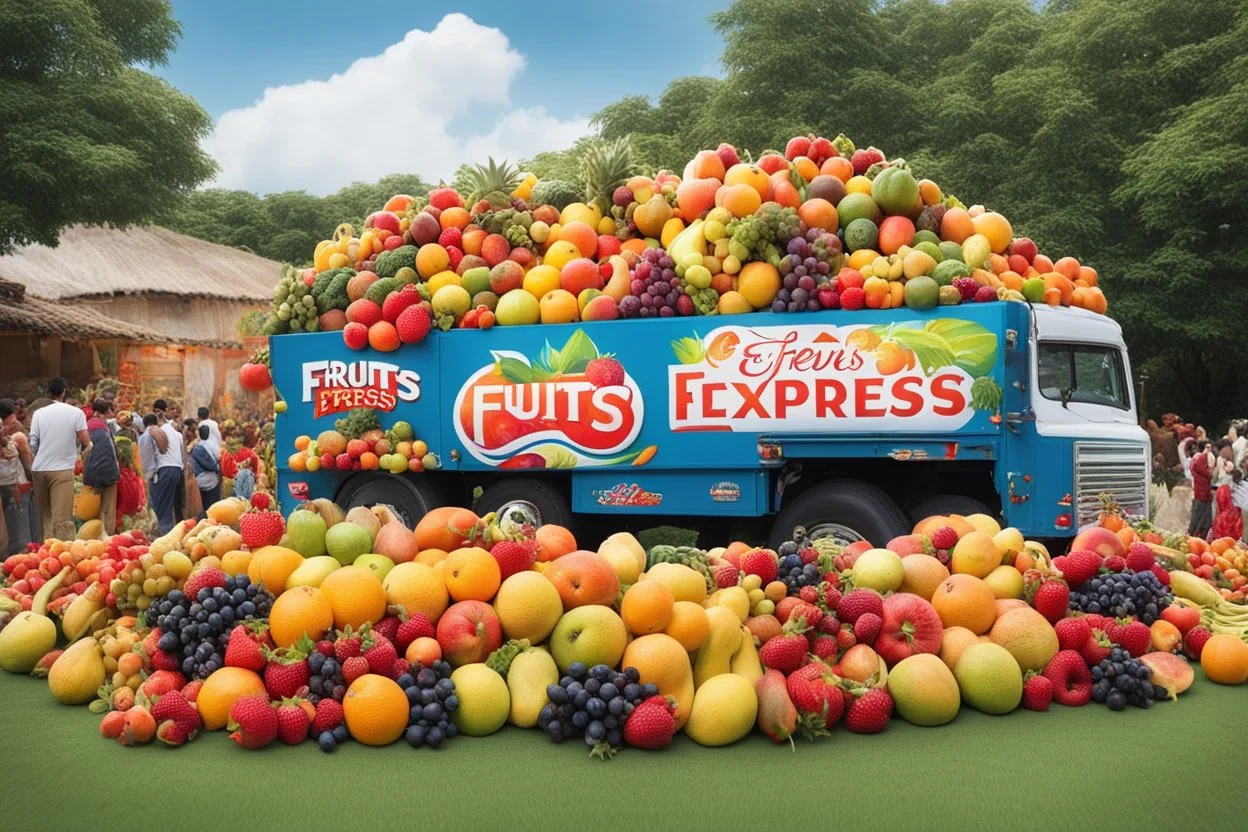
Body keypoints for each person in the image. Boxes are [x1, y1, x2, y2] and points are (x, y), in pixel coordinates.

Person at [28, 377, 89, 541]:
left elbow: (32, 445)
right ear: (64, 392)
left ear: (49, 393)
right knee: (62, 521)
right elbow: (86, 442)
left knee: (45, 518)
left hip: (39, 470)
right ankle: (64, 556)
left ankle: (45, 555)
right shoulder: (76, 413)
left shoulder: (38, 414)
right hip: (62, 470)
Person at [82, 399, 121, 535]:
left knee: (93, 511)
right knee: (109, 510)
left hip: (92, 475)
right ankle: (108, 538)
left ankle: (93, 538)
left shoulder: (86, 427)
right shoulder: (107, 428)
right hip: (110, 474)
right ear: (101, 413)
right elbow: (115, 452)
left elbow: (84, 452)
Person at [150, 410, 184, 535]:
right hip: (178, 469)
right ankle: (176, 530)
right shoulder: (178, 434)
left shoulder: (159, 432)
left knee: (162, 501)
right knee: (174, 502)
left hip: (165, 469)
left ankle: (165, 532)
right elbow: (183, 454)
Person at [190, 424, 221, 517]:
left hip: (202, 480)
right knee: (213, 507)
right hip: (211, 481)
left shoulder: (197, 447)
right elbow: (212, 465)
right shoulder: (211, 445)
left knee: (206, 507)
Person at [1189, 439, 1215, 538]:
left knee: (1204, 521)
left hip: (1203, 494)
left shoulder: (1201, 458)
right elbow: (1209, 474)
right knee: (1197, 520)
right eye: (1208, 447)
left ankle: (1197, 538)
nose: (1210, 450)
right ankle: (1191, 539)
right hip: (1201, 494)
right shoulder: (1200, 459)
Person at [1231, 467, 1248, 544]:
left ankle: (1245, 542)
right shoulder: (1245, 484)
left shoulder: (1232, 487)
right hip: (1244, 508)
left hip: (1243, 509)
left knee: (1245, 527)